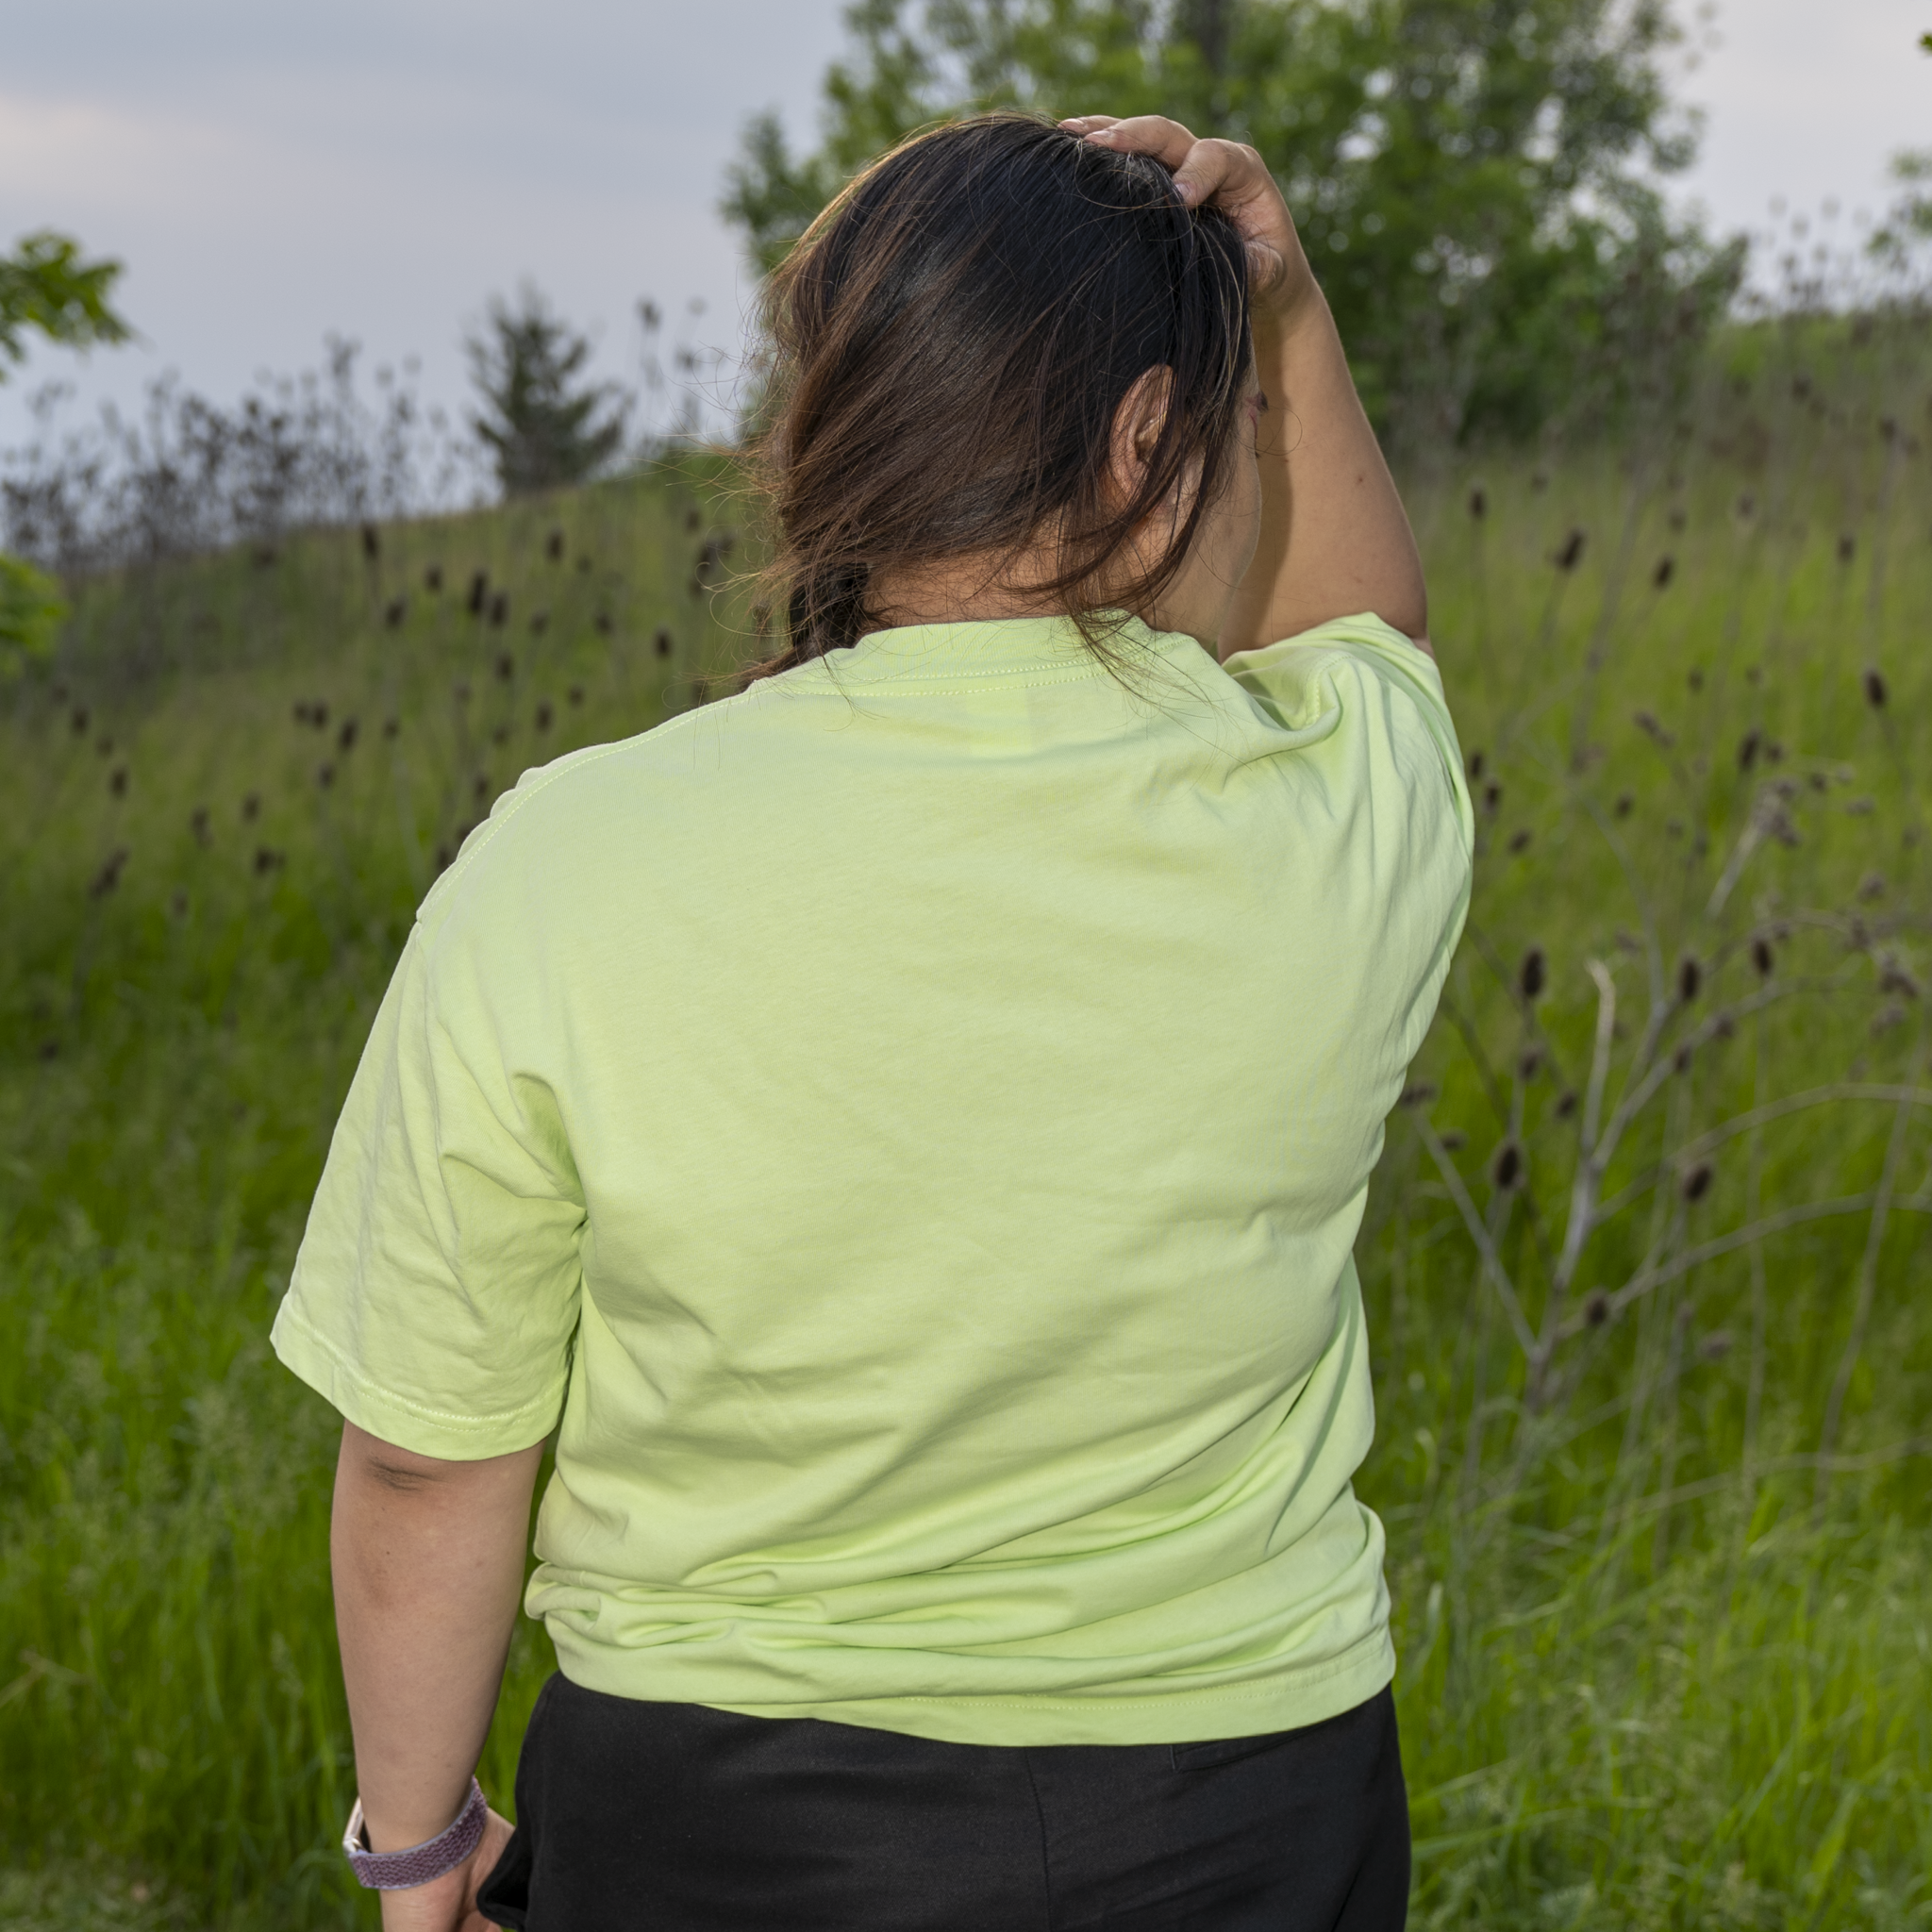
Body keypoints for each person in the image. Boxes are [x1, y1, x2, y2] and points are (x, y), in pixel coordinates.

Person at [273, 109, 1472, 1932]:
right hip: (1253, 1807)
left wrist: (422, 1853)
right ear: (1152, 438)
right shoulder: (1333, 815)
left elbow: (427, 1458)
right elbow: (1369, 624)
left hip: (726, 1829)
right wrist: (1284, 307)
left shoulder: (566, 858)